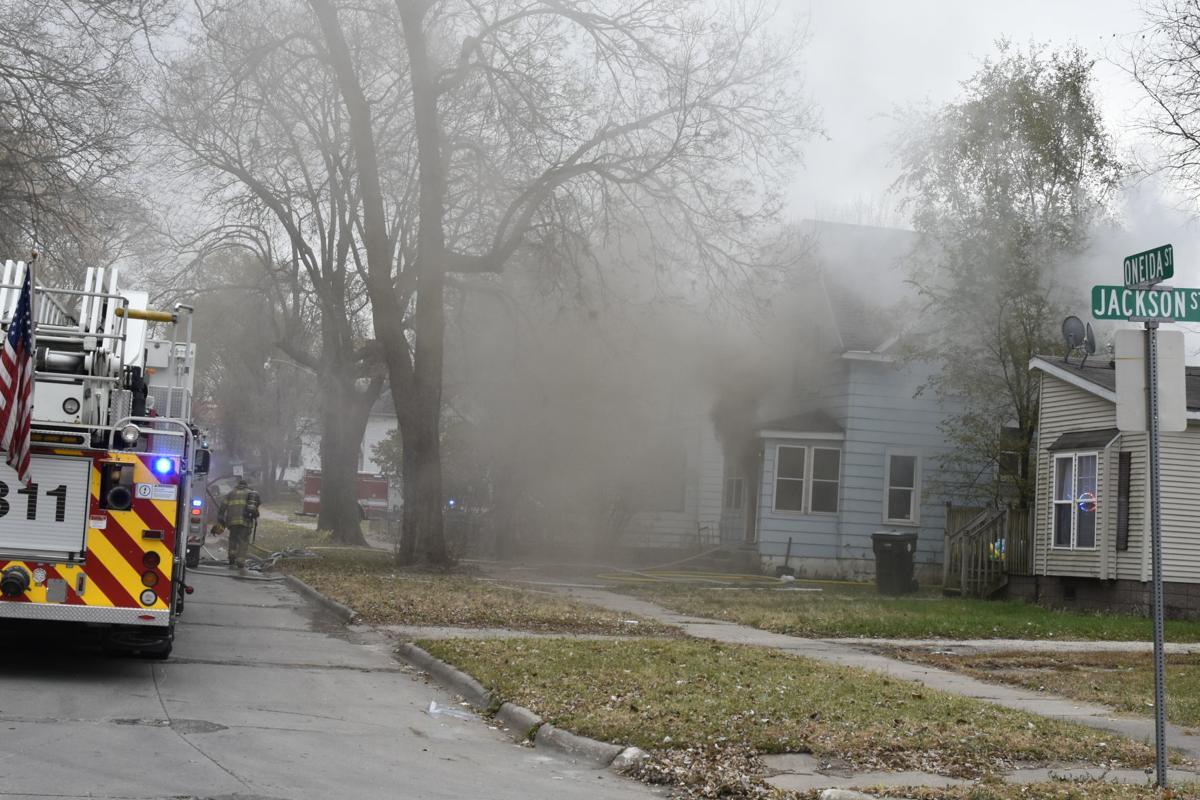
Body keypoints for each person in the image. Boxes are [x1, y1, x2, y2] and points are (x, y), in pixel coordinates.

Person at [219, 478, 253, 568]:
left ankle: (232, 558)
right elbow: (256, 505)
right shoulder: (250, 493)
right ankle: (240, 561)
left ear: (238, 485)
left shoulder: (231, 493)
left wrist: (220, 517)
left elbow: (223, 506)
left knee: (233, 539)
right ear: (246, 485)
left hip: (232, 522)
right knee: (243, 541)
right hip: (246, 522)